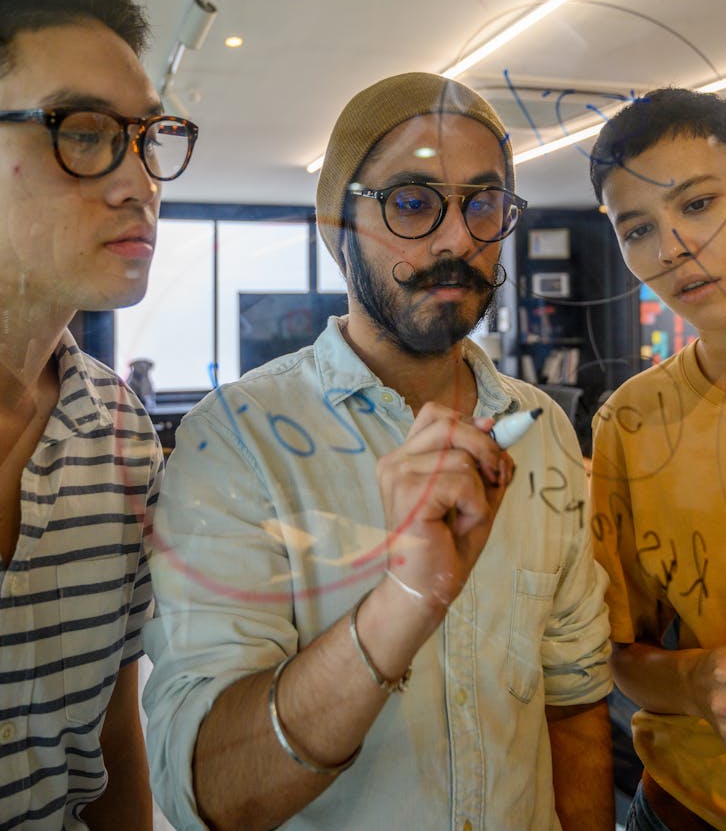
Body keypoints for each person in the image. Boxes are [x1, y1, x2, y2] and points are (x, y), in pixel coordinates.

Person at [144, 71, 613, 831]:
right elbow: (211, 788)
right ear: (338, 221)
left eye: (484, 203)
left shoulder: (544, 430)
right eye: (412, 200)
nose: (458, 237)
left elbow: (574, 694)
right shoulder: (234, 442)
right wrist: (401, 603)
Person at [0, 0, 199, 829]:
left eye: (149, 137)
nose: (141, 183)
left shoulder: (118, 425)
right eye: (82, 132)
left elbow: (114, 731)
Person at [589, 86, 726, 830]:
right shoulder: (630, 421)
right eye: (637, 227)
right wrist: (694, 680)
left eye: (696, 204)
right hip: (688, 805)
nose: (671, 248)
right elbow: (622, 651)